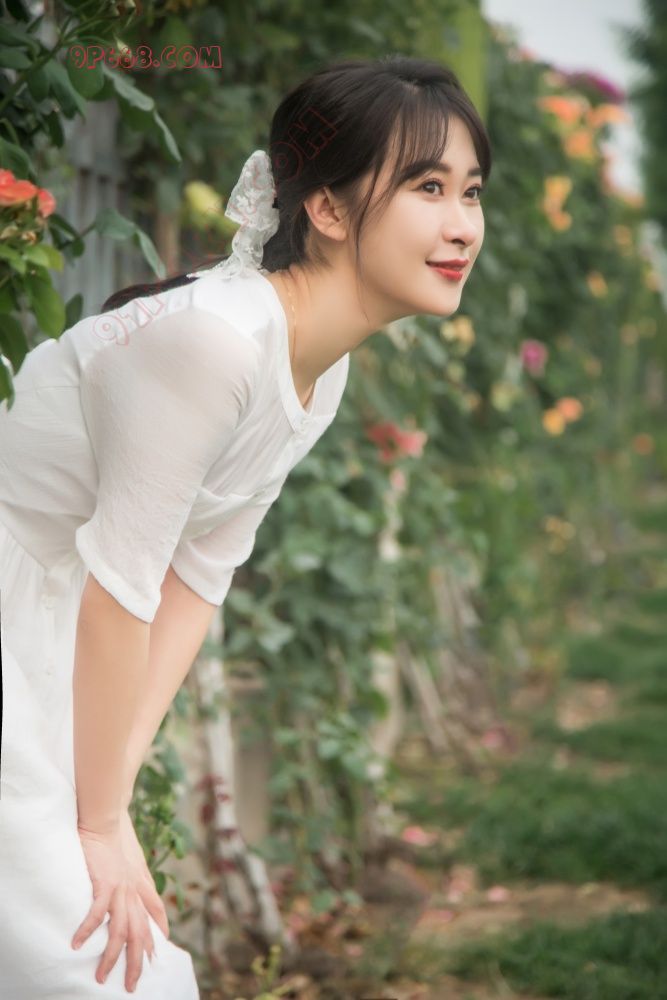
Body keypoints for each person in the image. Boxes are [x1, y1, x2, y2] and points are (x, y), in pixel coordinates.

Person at [0, 53, 490, 997]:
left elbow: (198, 578)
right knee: (97, 965)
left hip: (54, 625)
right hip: (30, 605)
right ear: (329, 209)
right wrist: (96, 827)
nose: (461, 225)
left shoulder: (318, 371)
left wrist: (109, 799)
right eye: (427, 187)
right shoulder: (216, 342)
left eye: (470, 191)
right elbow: (122, 589)